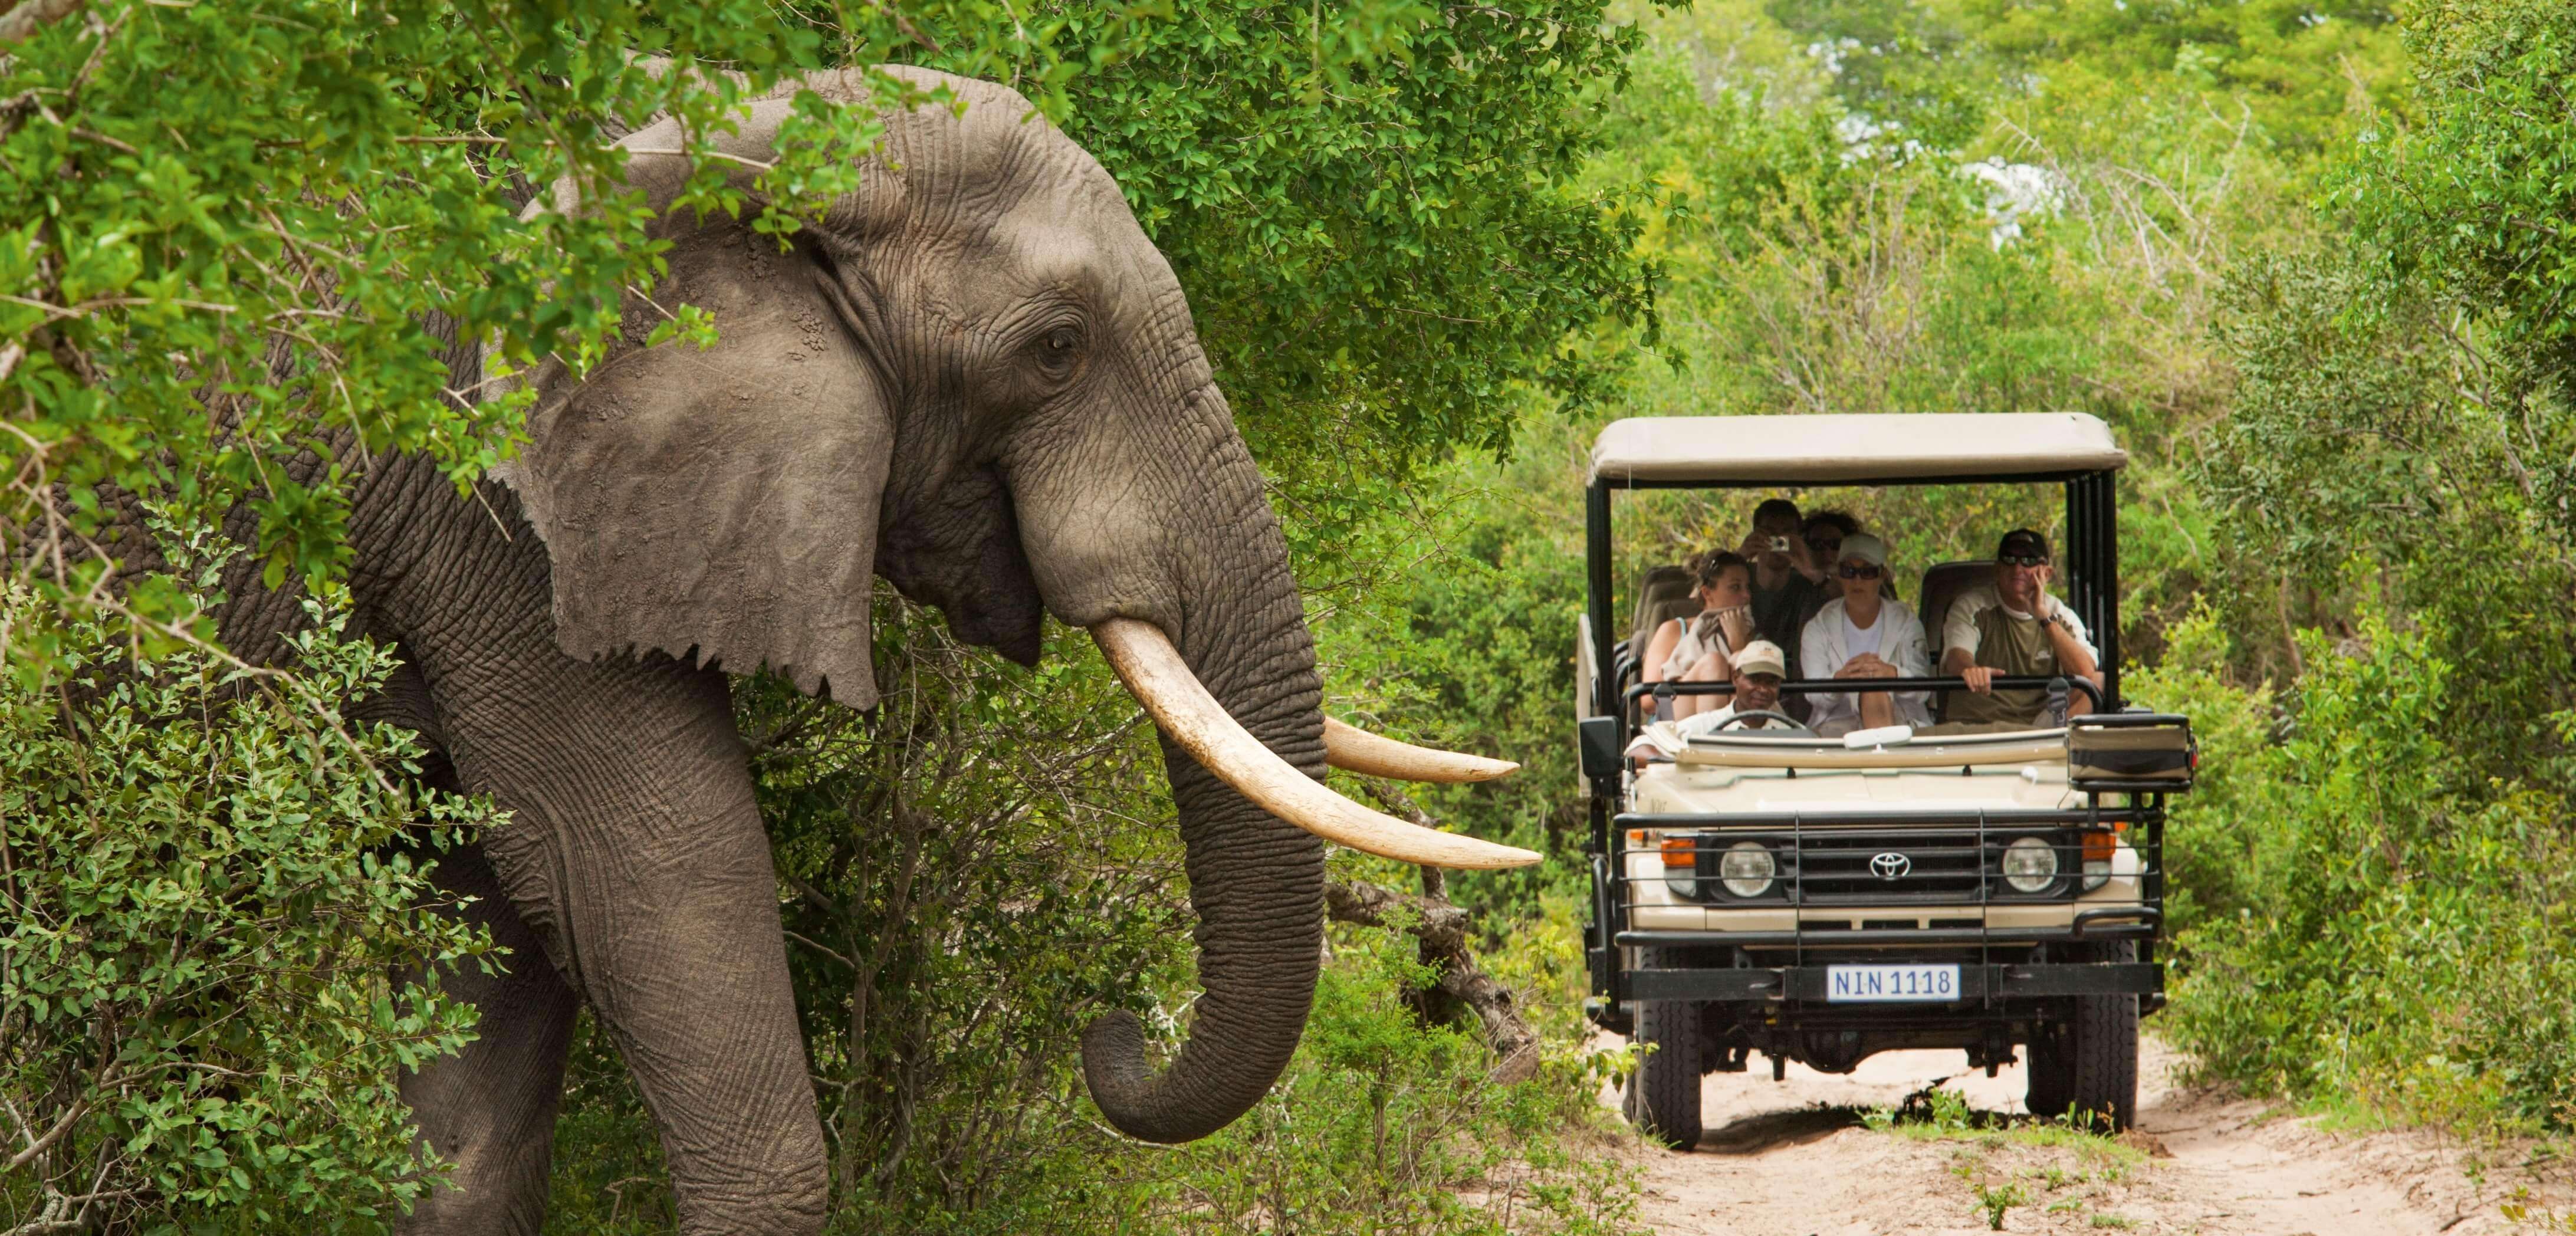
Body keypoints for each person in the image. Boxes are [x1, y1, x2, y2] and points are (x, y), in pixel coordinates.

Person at [1939, 528, 2101, 728]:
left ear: (2047, 573)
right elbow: (1957, 655)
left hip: (2038, 729)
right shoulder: (1972, 606)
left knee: (2100, 681)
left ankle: (2058, 746)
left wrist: (2043, 616)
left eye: (2029, 561)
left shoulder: (2061, 615)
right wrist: (1970, 670)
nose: (2018, 569)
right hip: (1978, 724)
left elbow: (2085, 672)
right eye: (2010, 559)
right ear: (1998, 569)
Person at [1799, 534, 1933, 737]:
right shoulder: (1817, 627)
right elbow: (1813, 695)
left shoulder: (1907, 622)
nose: (1857, 580)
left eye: (1867, 572)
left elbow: (1923, 689)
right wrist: (1841, 680)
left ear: (1883, 575)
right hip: (1837, 724)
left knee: (1875, 690)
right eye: (1849, 571)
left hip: (1901, 720)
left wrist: (1892, 674)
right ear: (1839, 575)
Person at [1641, 550, 1754, 721]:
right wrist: (1695, 677)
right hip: (1674, 721)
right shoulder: (1673, 630)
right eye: (1735, 587)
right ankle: (1711, 741)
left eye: (1748, 587)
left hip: (1739, 723)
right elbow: (1649, 702)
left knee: (1737, 659)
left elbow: (1758, 695)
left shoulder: (1752, 636)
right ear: (1707, 593)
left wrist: (1739, 646)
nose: (1746, 596)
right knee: (1713, 663)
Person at [1739, 499, 1826, 665]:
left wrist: (1812, 571)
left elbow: (1841, 611)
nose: (1777, 543)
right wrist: (1738, 557)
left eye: (1785, 537)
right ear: (1755, 535)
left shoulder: (1808, 585)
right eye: (1769, 535)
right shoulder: (1738, 578)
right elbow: (1702, 601)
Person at [1673, 640, 1798, 735]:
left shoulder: (1792, 733)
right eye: (1755, 680)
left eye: (1771, 682)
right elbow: (1656, 742)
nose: (1763, 689)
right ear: (1736, 678)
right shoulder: (1705, 725)